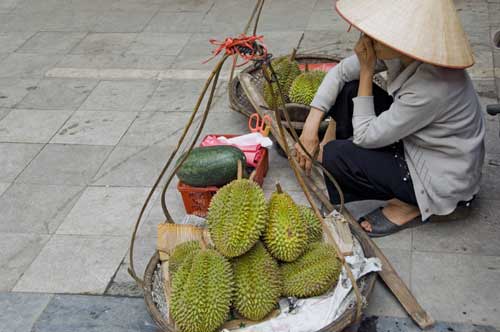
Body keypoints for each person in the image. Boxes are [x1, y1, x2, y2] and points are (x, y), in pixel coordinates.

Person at [295, 0, 485, 237]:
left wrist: (367, 70)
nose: (368, 37)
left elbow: (364, 136)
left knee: (337, 155)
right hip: (419, 141)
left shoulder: (433, 87)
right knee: (349, 90)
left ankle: (415, 204)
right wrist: (310, 129)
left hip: (443, 180)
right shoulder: (402, 53)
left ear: (408, 41)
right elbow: (340, 72)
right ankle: (332, 148)